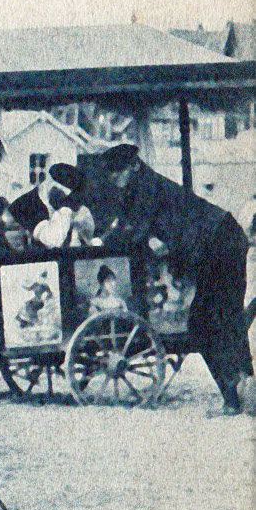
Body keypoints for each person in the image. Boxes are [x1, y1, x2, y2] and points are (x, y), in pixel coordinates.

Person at [98, 142, 252, 416]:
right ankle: (241, 393)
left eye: (118, 174)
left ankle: (234, 397)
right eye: (113, 176)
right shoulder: (141, 187)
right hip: (221, 238)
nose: (116, 181)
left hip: (219, 241)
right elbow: (131, 226)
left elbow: (135, 230)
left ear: (133, 166)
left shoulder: (146, 188)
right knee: (224, 321)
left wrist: (105, 243)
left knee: (205, 324)